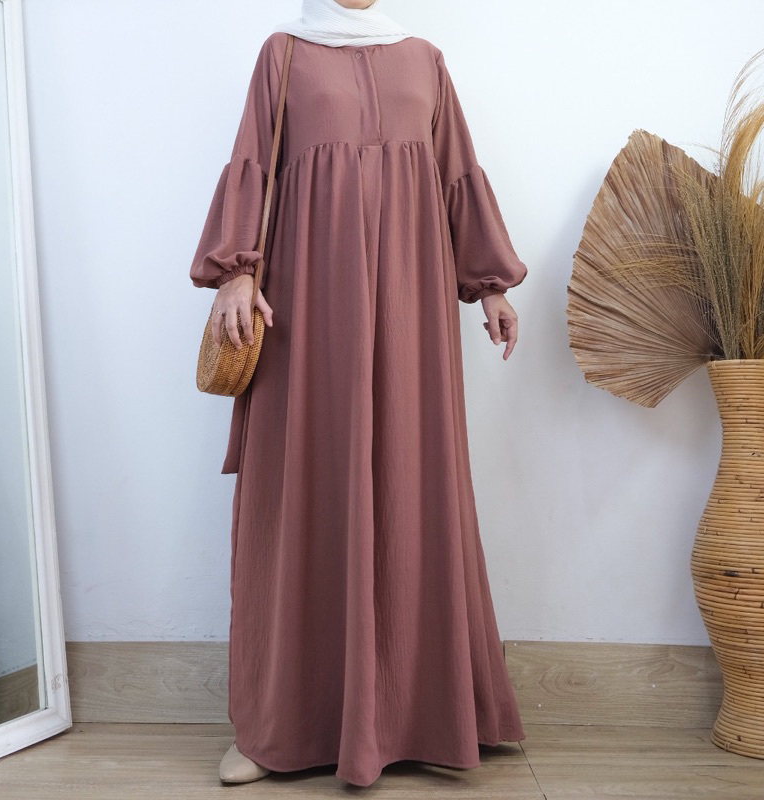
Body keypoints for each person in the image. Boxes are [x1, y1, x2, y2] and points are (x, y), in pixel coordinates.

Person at [189, 0, 528, 788]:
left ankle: (424, 716)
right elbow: (254, 162)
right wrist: (237, 272)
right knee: (302, 492)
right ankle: (278, 728)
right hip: (307, 310)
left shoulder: (425, 58)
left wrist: (489, 287)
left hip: (411, 310)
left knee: (412, 487)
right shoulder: (283, 54)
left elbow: (455, 173)